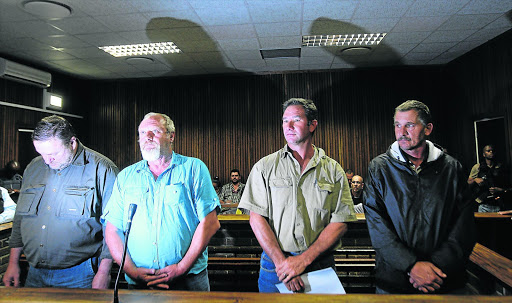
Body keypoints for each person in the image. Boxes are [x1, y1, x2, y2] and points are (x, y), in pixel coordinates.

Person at [239, 98, 356, 293]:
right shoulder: (265, 167)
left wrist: (303, 260)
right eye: (285, 120)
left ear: (312, 124)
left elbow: (340, 221)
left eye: (296, 119)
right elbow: (256, 218)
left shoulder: (333, 169)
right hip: (275, 266)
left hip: (319, 264)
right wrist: (284, 265)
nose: (288, 126)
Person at [364, 100, 476, 294]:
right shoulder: (379, 168)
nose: (402, 132)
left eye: (409, 125)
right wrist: (411, 266)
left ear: (428, 128)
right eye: (398, 125)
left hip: (443, 279)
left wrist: (434, 268)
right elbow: (377, 226)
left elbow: (463, 226)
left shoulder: (451, 168)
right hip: (394, 280)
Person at [102, 112, 220, 291]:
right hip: (139, 282)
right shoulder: (126, 177)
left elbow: (210, 223)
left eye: (155, 131)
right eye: (142, 133)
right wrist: (131, 270)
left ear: (171, 136)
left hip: (188, 281)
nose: (147, 137)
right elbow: (113, 229)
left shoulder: (194, 169)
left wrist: (181, 268)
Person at [3, 115, 118, 289]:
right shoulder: (33, 168)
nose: (47, 161)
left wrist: (104, 272)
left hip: (81, 275)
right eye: (41, 154)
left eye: (53, 154)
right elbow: (21, 218)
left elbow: (114, 226)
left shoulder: (102, 169)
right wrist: (13, 262)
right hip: (34, 272)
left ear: (72, 143)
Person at [467, 145, 509, 212]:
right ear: (484, 154)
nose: (491, 152)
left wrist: (501, 190)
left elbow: (507, 185)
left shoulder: (501, 167)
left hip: (499, 203)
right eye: (488, 151)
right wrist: (475, 180)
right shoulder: (478, 167)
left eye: (492, 151)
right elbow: (468, 183)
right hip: (483, 204)